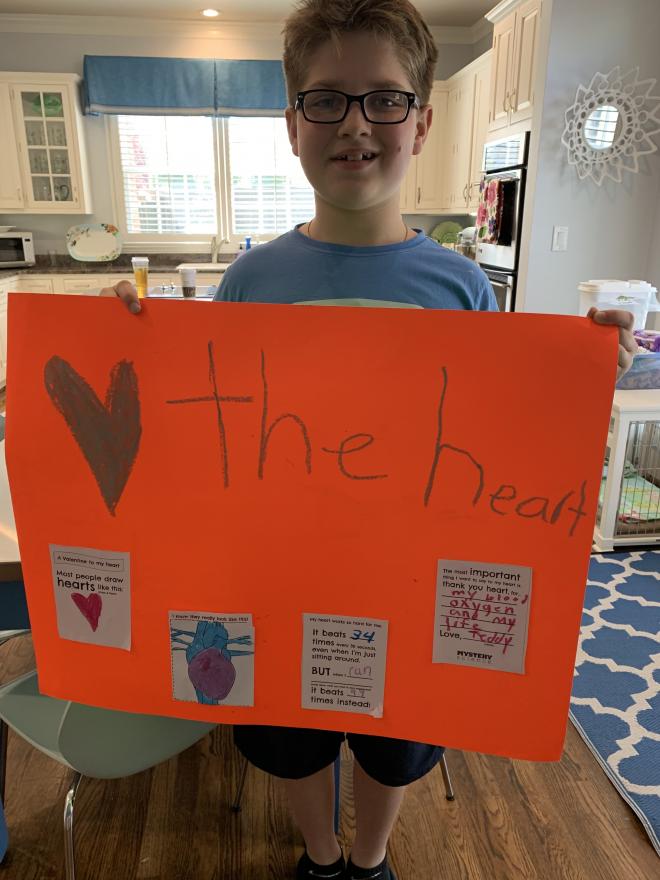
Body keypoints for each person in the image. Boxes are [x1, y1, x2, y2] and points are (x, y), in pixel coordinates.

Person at [104, 3, 637, 877]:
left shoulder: (460, 286)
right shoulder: (252, 279)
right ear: (291, 126)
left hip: (409, 576)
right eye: (326, 100)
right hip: (277, 571)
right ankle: (321, 857)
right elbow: (197, 423)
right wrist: (123, 341)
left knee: (395, 740)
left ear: (421, 123)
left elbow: (494, 433)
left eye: (385, 99)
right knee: (292, 736)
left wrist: (582, 371)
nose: (355, 122)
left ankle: (371, 856)